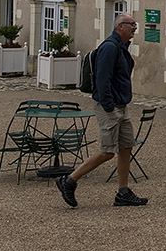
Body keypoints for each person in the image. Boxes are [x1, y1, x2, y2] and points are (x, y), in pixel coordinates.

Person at [55, 14, 148, 208]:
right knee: (107, 152)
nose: (135, 28)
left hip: (121, 106)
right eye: (132, 25)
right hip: (110, 106)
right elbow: (102, 80)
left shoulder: (121, 48)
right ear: (120, 26)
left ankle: (123, 192)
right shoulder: (109, 48)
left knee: (126, 147)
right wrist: (109, 107)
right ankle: (69, 180)